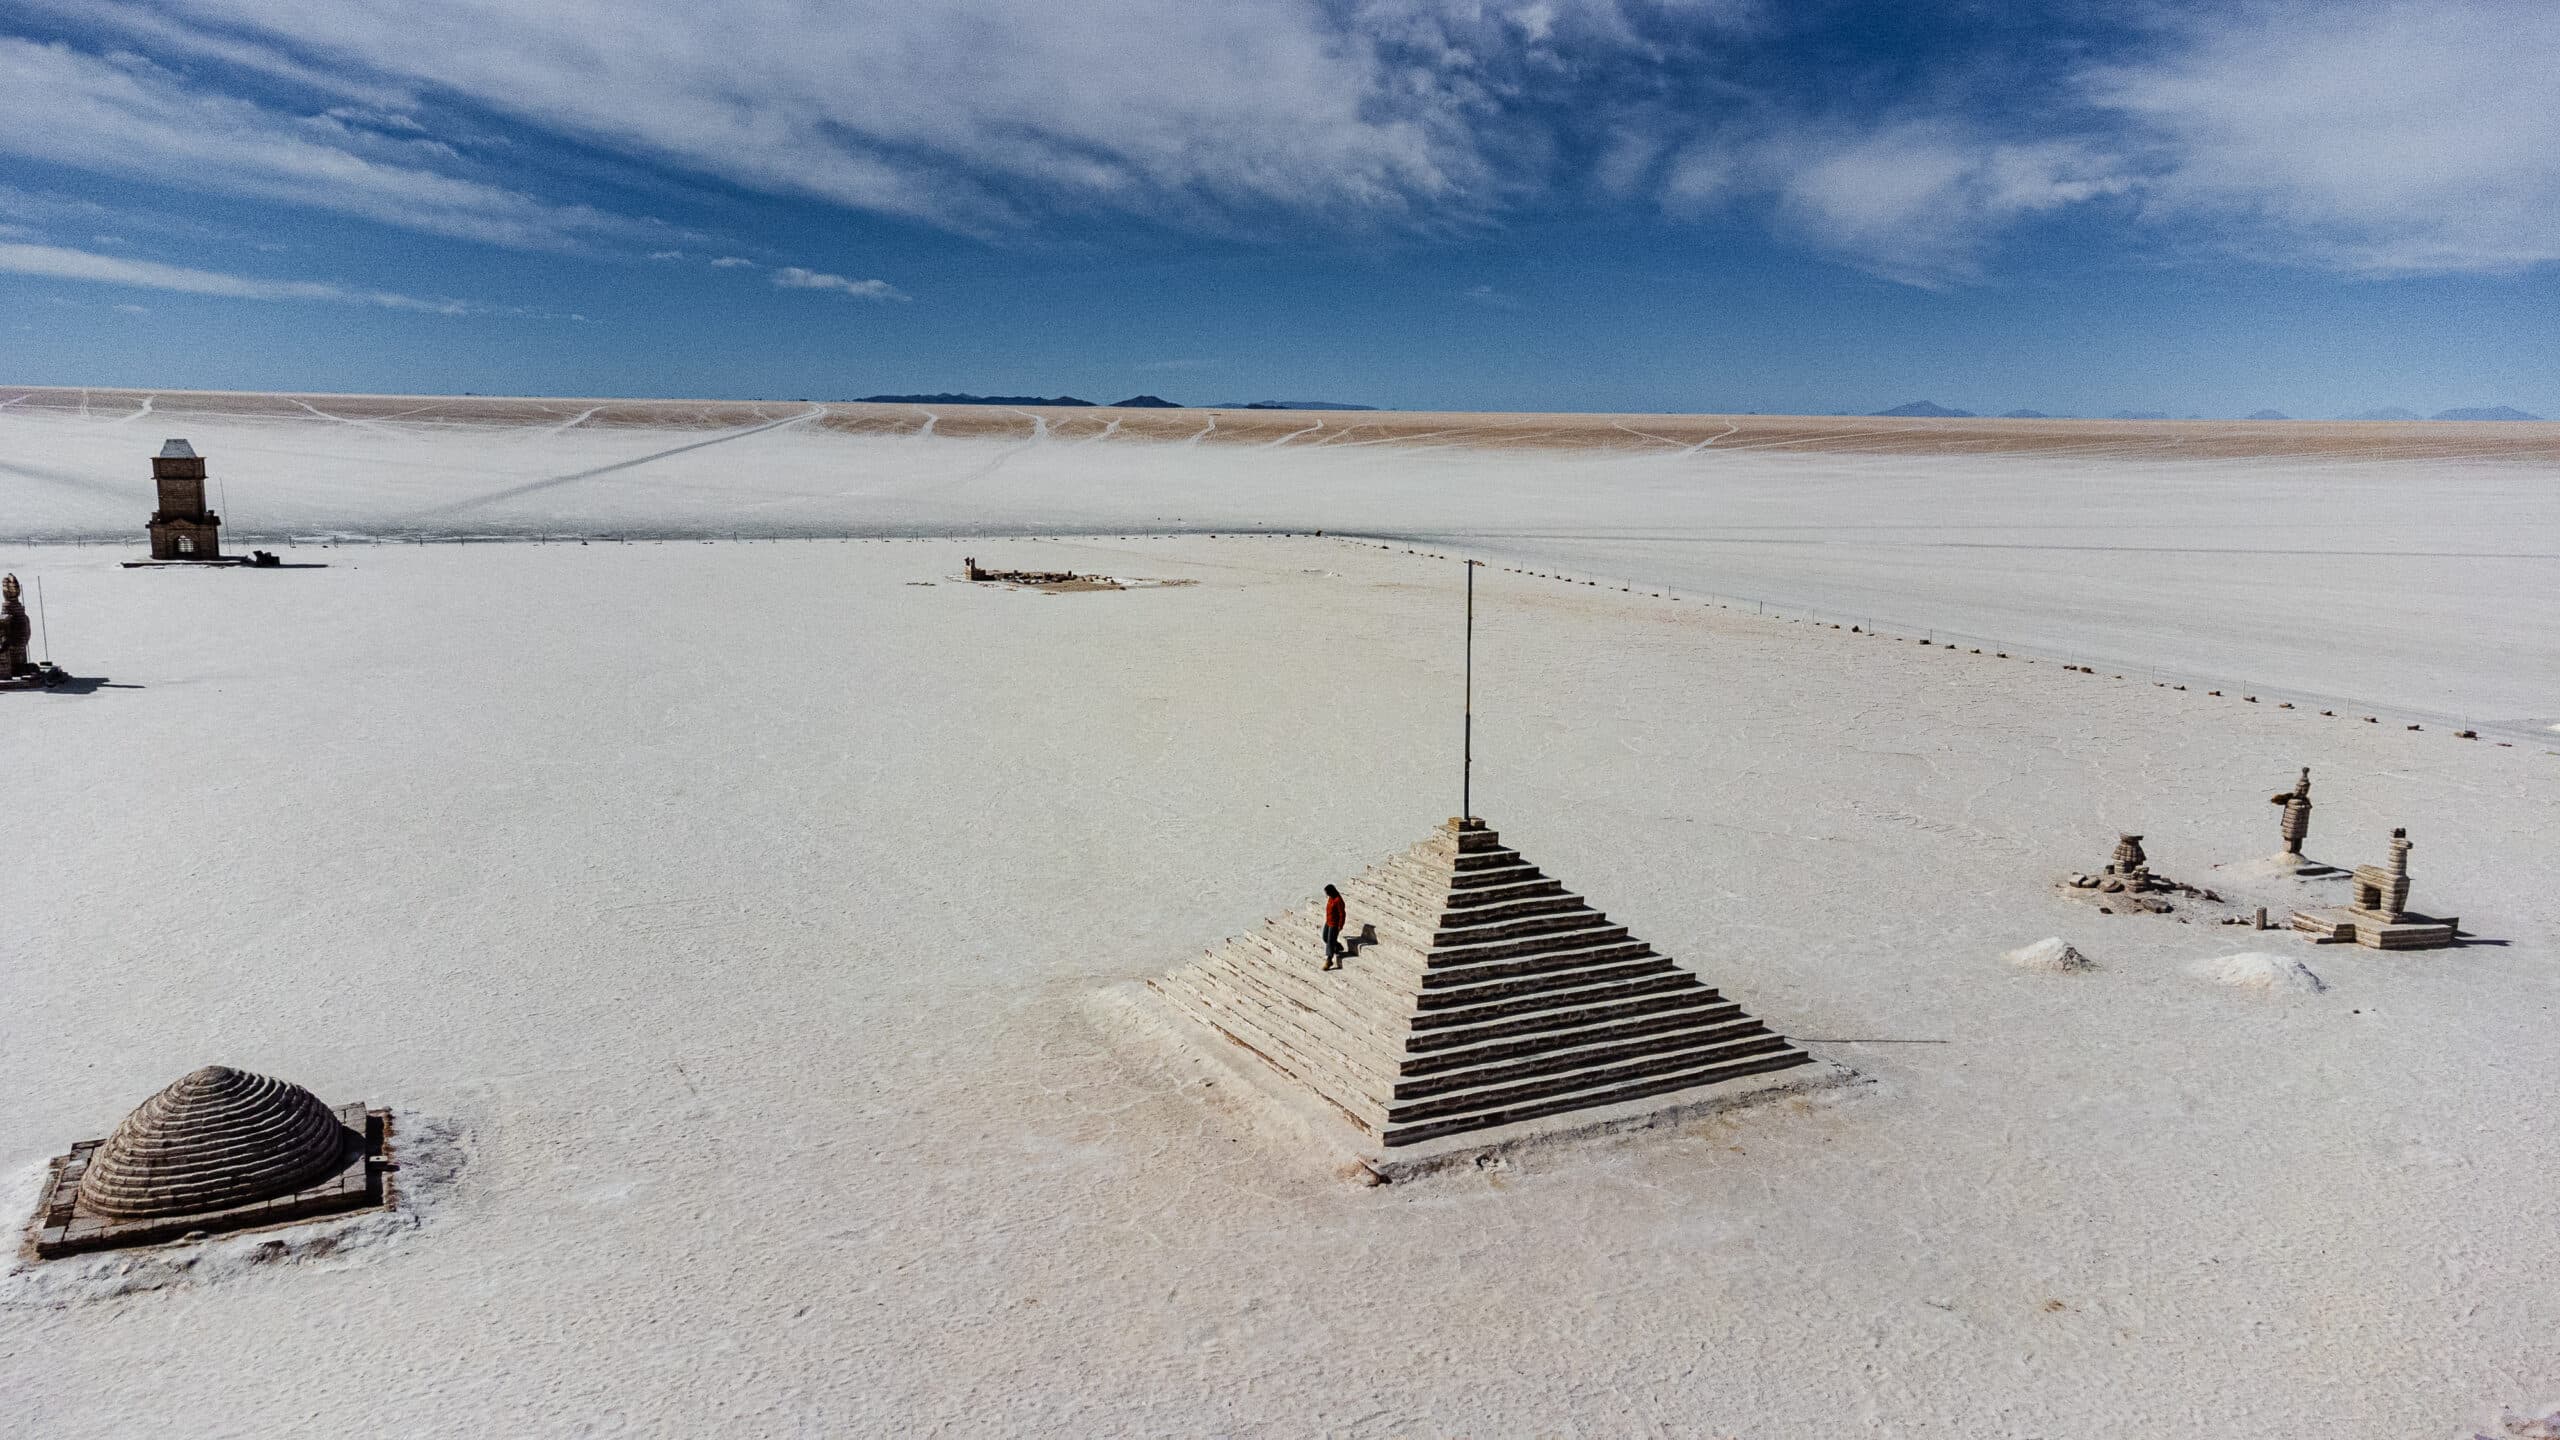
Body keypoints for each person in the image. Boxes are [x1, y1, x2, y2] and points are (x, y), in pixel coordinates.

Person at [1321, 884, 1347, 970]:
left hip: (1334, 924)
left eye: (1327, 893)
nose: (1327, 895)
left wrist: (1340, 925)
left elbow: (1342, 914)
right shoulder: (1331, 898)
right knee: (1325, 938)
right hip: (1328, 921)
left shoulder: (1338, 900)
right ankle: (1338, 947)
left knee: (1330, 941)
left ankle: (1329, 960)